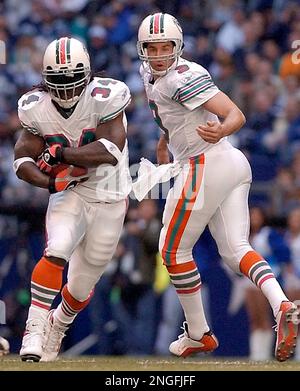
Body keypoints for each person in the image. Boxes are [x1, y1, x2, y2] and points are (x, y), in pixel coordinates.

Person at [136, 12, 299, 361]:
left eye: (167, 47)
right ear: (143, 49)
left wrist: (222, 129)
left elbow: (235, 113)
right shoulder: (150, 75)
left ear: (178, 47)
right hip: (230, 164)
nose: (160, 54)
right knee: (235, 249)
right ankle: (282, 303)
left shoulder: (182, 77)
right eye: (153, 47)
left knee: (171, 250)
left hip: (206, 163)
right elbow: (170, 114)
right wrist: (167, 140)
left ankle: (199, 333)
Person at [14, 37, 132, 362]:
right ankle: (33, 331)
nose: (65, 91)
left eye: (72, 82)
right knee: (57, 249)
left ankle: (58, 324)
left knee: (80, 287)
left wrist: (61, 153)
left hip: (109, 196)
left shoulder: (106, 96)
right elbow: (21, 159)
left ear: (88, 75)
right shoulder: (35, 105)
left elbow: (110, 150)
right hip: (70, 192)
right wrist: (52, 182)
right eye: (58, 83)